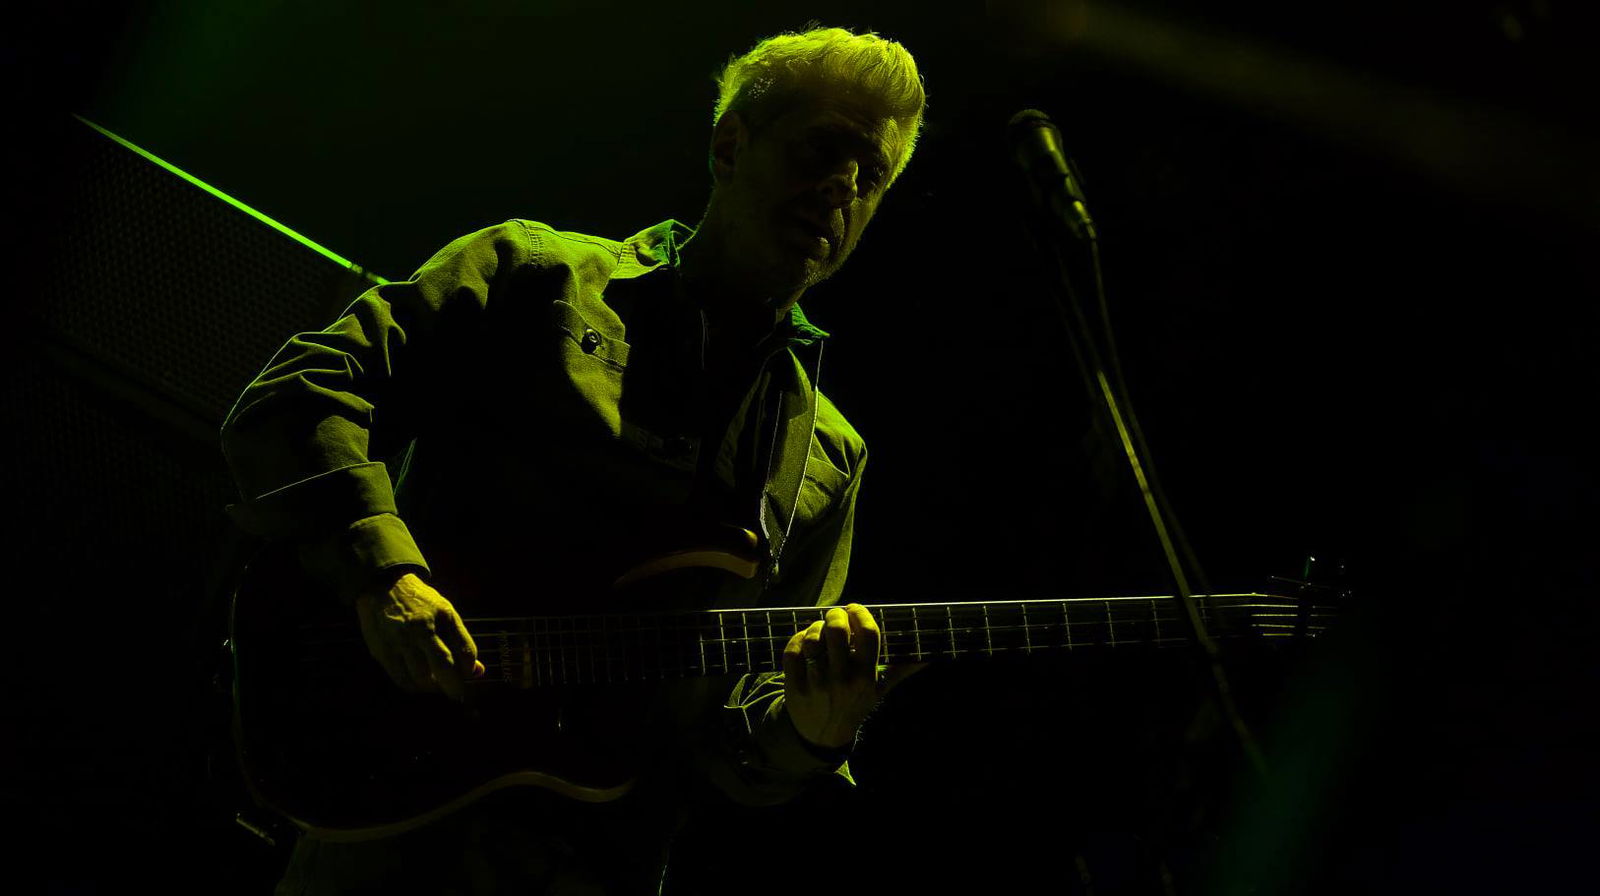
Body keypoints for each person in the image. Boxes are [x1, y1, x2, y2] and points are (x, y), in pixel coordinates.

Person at [220, 24, 927, 895]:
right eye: (824, 148)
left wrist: (812, 731)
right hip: (390, 829)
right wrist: (381, 573)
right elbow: (301, 392)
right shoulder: (535, 275)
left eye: (872, 174)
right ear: (730, 145)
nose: (843, 188)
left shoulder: (829, 454)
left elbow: (732, 748)